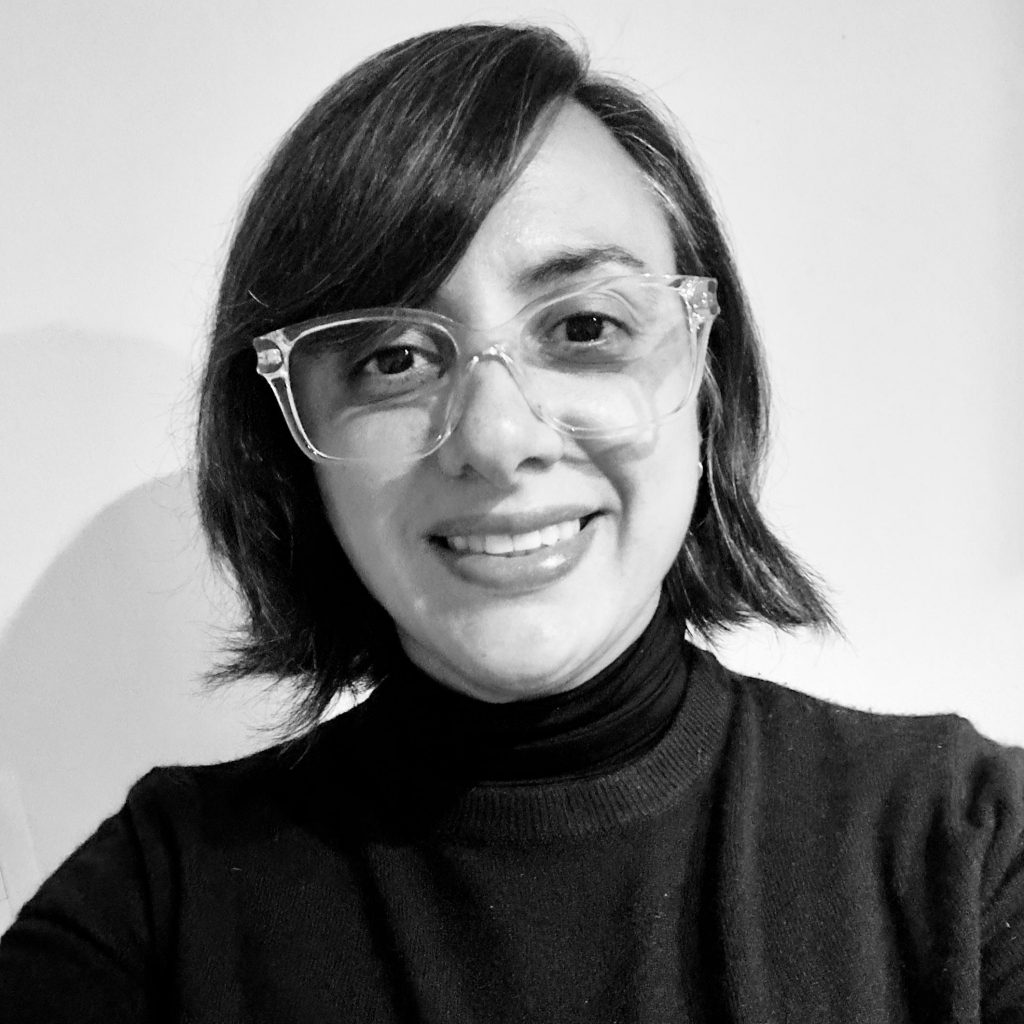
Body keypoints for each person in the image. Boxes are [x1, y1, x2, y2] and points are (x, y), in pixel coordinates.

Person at [1, 22, 1022, 1023]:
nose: (495, 438)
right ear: (289, 446)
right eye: (394, 358)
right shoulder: (164, 903)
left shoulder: (968, 848)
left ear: (705, 381)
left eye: (585, 327)